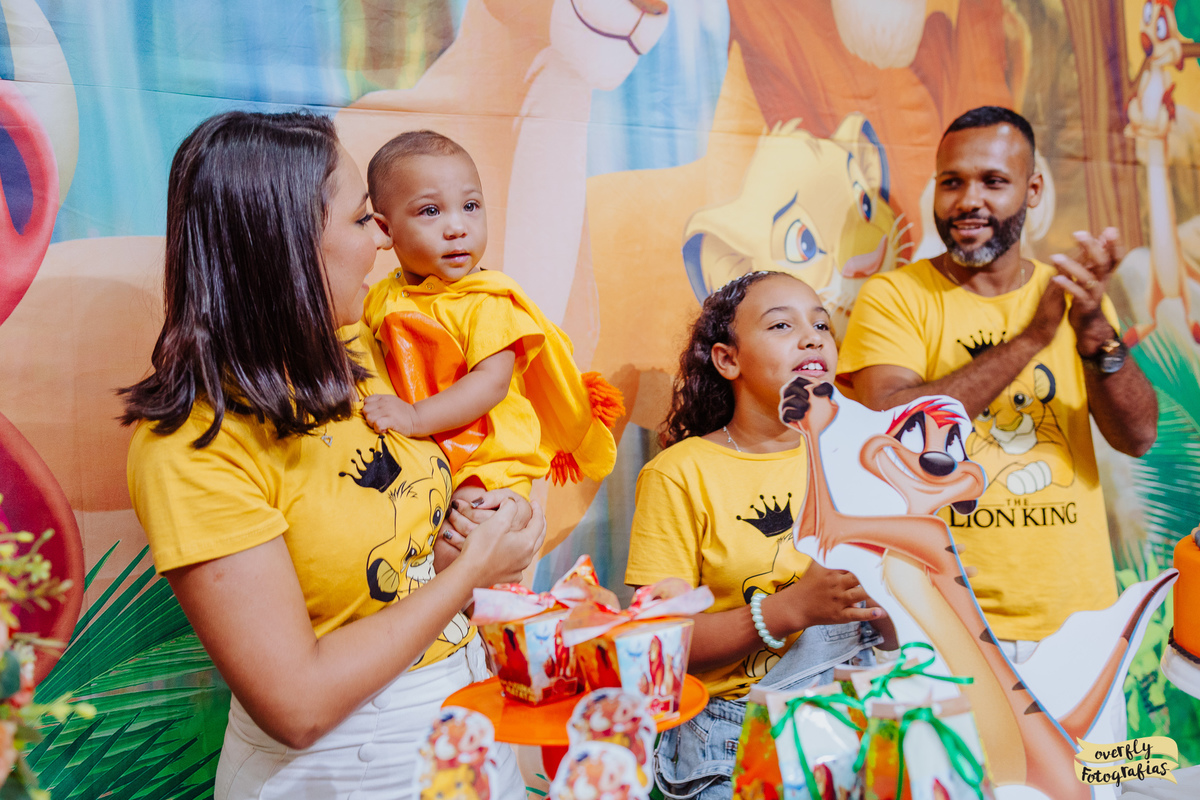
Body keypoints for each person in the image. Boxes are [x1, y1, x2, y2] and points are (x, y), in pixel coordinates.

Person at [122, 111, 545, 800]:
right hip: (345, 770)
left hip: (464, 734)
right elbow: (299, 705)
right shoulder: (193, 444)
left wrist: (469, 531)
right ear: (287, 248)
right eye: (360, 221)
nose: (385, 240)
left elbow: (389, 556)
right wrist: (471, 570)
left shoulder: (361, 353)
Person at [837, 106, 1158, 663]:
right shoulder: (895, 297)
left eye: (993, 181)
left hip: (1080, 624)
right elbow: (887, 430)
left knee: (1091, 758)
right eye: (952, 182)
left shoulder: (1076, 298)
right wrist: (1031, 340)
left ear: (1032, 190)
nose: (968, 200)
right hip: (942, 624)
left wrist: (1098, 337)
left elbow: (1138, 436)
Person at [625, 271, 896, 800]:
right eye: (781, 325)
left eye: (821, 323)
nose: (813, 336)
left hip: (863, 718)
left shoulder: (862, 460)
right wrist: (792, 608)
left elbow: (891, 628)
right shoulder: (680, 474)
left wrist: (907, 597)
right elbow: (659, 647)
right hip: (736, 744)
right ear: (728, 360)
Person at [359, 130, 621, 498]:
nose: (457, 228)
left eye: (470, 206)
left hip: (489, 463)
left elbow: (491, 383)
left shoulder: (488, 300)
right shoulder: (383, 296)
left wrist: (414, 417)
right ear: (385, 229)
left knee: (464, 533)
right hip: (425, 452)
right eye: (431, 211)